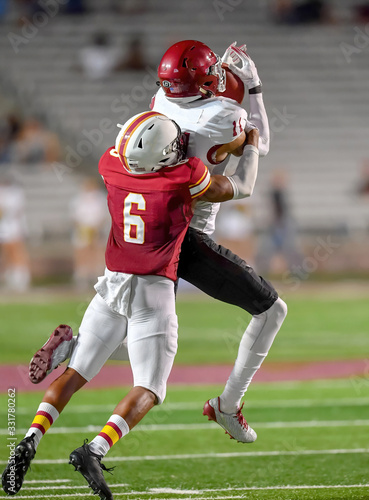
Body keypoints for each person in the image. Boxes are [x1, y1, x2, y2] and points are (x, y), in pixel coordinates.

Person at [28, 40, 287, 445]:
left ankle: (73, 350)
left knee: (146, 339)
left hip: (148, 223)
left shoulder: (157, 104)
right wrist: (253, 86)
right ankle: (228, 404)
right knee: (271, 310)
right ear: (200, 82)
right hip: (185, 233)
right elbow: (259, 146)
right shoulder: (225, 116)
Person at [2, 111, 260, 499]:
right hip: (152, 290)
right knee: (150, 387)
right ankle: (95, 449)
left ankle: (29, 439)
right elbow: (238, 187)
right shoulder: (182, 175)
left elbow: (141, 143)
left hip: (110, 285)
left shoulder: (111, 165)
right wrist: (250, 146)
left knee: (76, 373)